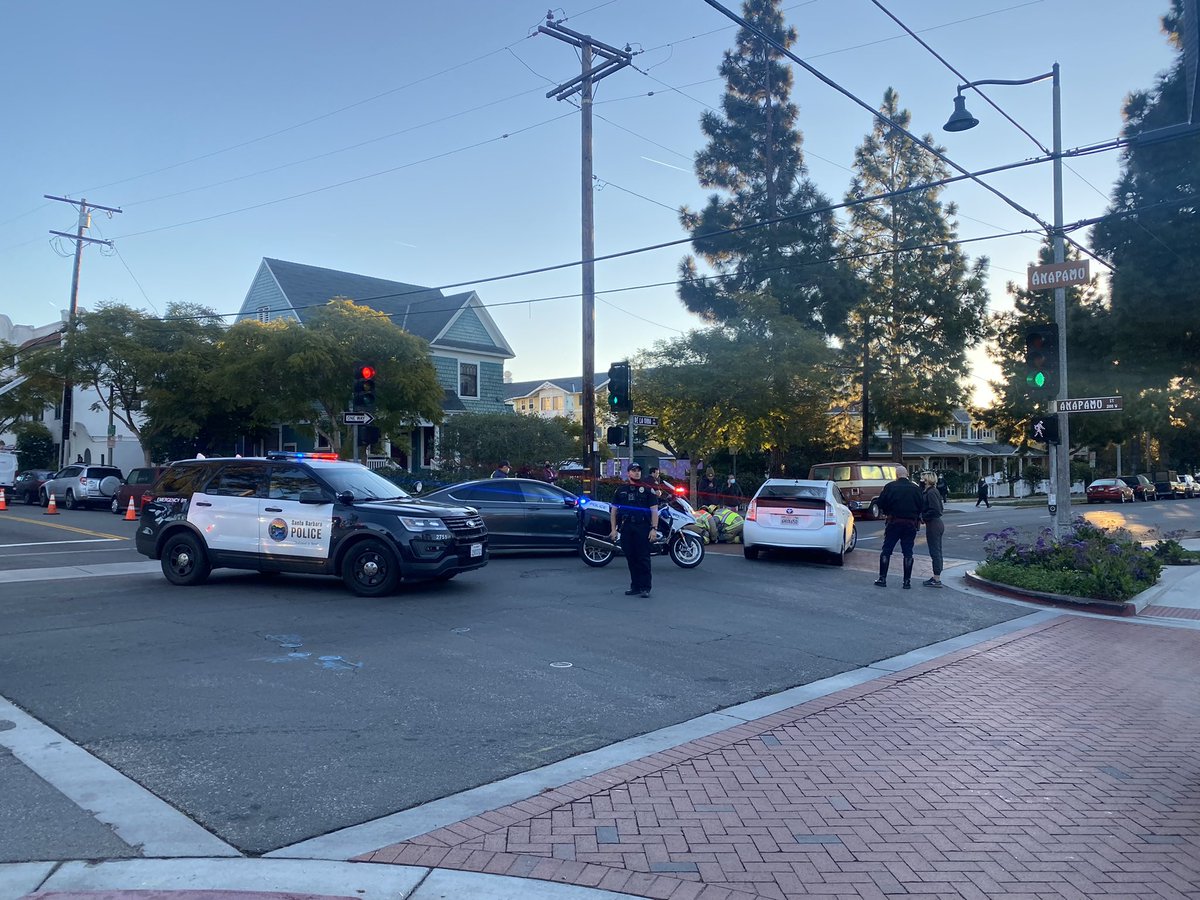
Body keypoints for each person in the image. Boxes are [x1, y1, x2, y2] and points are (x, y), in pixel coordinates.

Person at [609, 462, 660, 598]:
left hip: (642, 527)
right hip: (626, 527)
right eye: (634, 470)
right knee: (631, 557)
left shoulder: (648, 490)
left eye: (638, 470)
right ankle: (635, 586)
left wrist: (654, 529)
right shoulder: (621, 490)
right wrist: (613, 530)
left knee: (643, 557)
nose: (637, 472)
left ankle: (645, 587)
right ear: (628, 473)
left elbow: (654, 511)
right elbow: (613, 511)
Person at [874, 468, 924, 589]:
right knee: (908, 552)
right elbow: (921, 505)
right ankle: (907, 582)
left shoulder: (890, 487)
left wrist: (887, 511)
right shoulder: (916, 488)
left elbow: (881, 502)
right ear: (907, 474)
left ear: (896, 475)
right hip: (910, 523)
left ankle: (882, 578)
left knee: (887, 549)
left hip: (894, 521)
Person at [920, 472, 946, 588]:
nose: (921, 480)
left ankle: (937, 578)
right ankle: (936, 576)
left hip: (933, 524)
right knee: (937, 551)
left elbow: (936, 510)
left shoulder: (931, 492)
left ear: (927, 480)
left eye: (923, 479)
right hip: (935, 523)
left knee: (935, 551)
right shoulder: (933, 491)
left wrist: (923, 516)